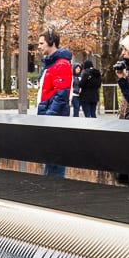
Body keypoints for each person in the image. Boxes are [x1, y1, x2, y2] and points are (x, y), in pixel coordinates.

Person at [37, 27, 73, 177]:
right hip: (49, 116)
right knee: (51, 158)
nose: (39, 46)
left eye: (41, 43)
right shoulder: (53, 64)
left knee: (55, 158)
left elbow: (61, 95)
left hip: (53, 118)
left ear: (51, 42)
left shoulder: (61, 65)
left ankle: (55, 188)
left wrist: (49, 116)